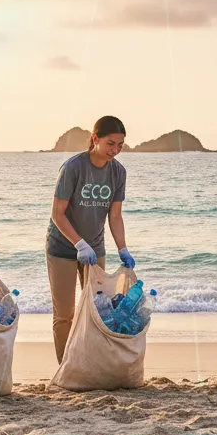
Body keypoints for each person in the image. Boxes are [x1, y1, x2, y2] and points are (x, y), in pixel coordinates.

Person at [46, 115, 133, 361]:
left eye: (120, 145)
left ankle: (88, 362)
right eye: (110, 143)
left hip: (95, 249)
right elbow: (57, 213)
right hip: (62, 248)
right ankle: (64, 366)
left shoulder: (118, 172)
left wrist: (123, 249)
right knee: (65, 313)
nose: (115, 151)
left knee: (97, 310)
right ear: (95, 138)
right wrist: (78, 244)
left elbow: (115, 217)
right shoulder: (73, 168)